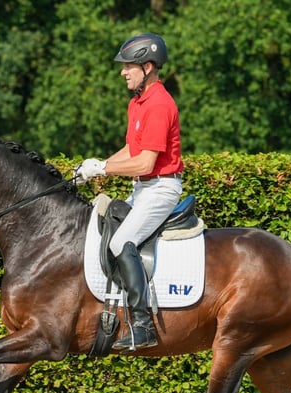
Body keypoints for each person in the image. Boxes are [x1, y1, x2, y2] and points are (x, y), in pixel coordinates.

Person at [75, 32, 184, 352]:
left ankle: (142, 325)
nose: (123, 71)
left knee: (123, 241)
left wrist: (104, 169)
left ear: (148, 67)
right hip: (143, 189)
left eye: (129, 66)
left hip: (161, 189)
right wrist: (95, 166)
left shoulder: (160, 104)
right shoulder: (137, 103)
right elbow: (131, 149)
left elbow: (145, 163)